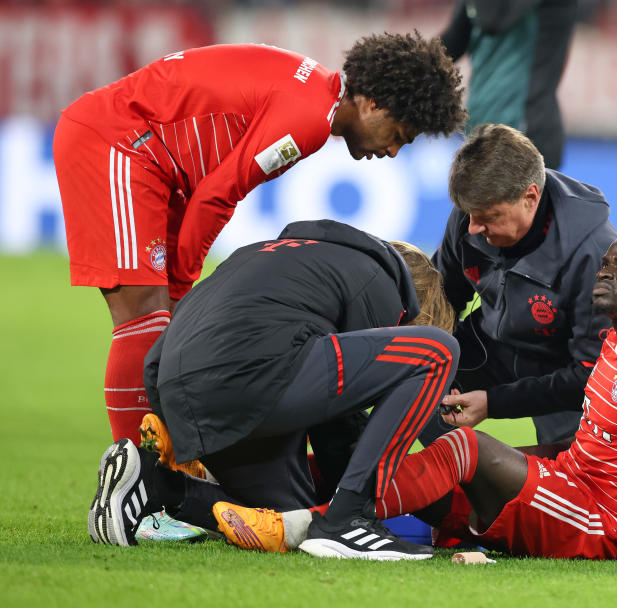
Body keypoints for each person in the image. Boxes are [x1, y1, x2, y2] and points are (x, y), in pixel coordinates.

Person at [216, 228, 617, 572]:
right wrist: (504, 430)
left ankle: (307, 525)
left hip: (602, 526)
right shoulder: (615, 347)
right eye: (606, 262)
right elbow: (590, 443)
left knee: (464, 452)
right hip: (572, 487)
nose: (607, 271)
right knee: (452, 461)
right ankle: (321, 514)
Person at [53, 33, 465, 450]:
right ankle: (134, 477)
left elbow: (214, 190)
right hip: (119, 142)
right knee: (145, 316)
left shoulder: (312, 91)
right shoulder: (308, 121)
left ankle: (158, 467)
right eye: (399, 133)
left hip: (159, 162)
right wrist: (182, 286)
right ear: (373, 102)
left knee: (159, 319)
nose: (393, 151)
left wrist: (180, 288)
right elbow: (218, 195)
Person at [87, 220, 460, 561]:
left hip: (184, 389)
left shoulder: (269, 254)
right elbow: (337, 424)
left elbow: (159, 357)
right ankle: (350, 521)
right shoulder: (382, 284)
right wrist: (357, 502)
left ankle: (157, 484)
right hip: (252, 374)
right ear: (415, 308)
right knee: (439, 352)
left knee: (291, 522)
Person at [425, 123, 617, 552]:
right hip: (495, 342)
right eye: (469, 216)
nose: (472, 229)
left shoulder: (595, 254)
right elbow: (444, 296)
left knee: (591, 466)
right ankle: (466, 516)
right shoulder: (474, 213)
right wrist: (424, 352)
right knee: (424, 384)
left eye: (488, 219)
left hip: (569, 368)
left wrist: (495, 402)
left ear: (530, 196)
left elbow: (589, 371)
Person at [441, 0, 577, 169]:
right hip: (480, 130)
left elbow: (493, 20)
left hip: (525, 133)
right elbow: (452, 42)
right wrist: (406, 68)